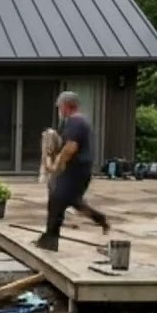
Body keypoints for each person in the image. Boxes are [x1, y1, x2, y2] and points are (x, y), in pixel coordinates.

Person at [35, 92, 109, 252]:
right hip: (79, 171)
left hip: (74, 171)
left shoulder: (76, 122)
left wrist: (56, 165)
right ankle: (99, 218)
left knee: (56, 201)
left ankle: (50, 240)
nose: (59, 111)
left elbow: (70, 148)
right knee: (73, 201)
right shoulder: (77, 122)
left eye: (59, 107)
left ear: (66, 106)